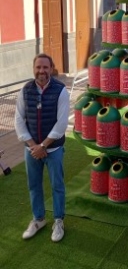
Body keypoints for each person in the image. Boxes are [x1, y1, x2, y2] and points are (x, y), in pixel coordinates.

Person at [15, 53, 70, 242]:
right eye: (38, 67)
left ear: (51, 68)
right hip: (32, 151)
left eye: (45, 67)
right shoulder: (25, 91)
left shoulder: (61, 91)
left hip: (53, 150)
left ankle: (58, 221)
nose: (42, 71)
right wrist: (33, 146)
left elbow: (61, 124)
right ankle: (38, 219)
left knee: (57, 186)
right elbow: (19, 121)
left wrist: (43, 146)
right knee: (34, 185)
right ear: (33, 68)